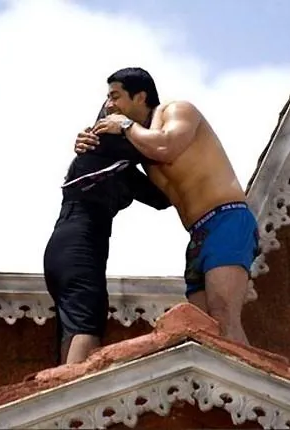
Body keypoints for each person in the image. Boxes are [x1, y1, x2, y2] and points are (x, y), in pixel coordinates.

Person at [76, 67, 258, 345]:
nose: (109, 104)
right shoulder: (139, 140)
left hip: (226, 219)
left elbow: (166, 147)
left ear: (140, 97)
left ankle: (247, 376)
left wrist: (125, 126)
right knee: (206, 329)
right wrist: (86, 142)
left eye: (115, 96)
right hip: (197, 234)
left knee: (224, 317)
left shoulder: (178, 110)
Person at [44, 103, 171, 365]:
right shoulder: (103, 145)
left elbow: (161, 199)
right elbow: (160, 146)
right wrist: (132, 127)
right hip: (79, 243)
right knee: (86, 325)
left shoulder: (119, 163)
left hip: (73, 245)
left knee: (77, 325)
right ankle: (77, 389)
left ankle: (66, 381)